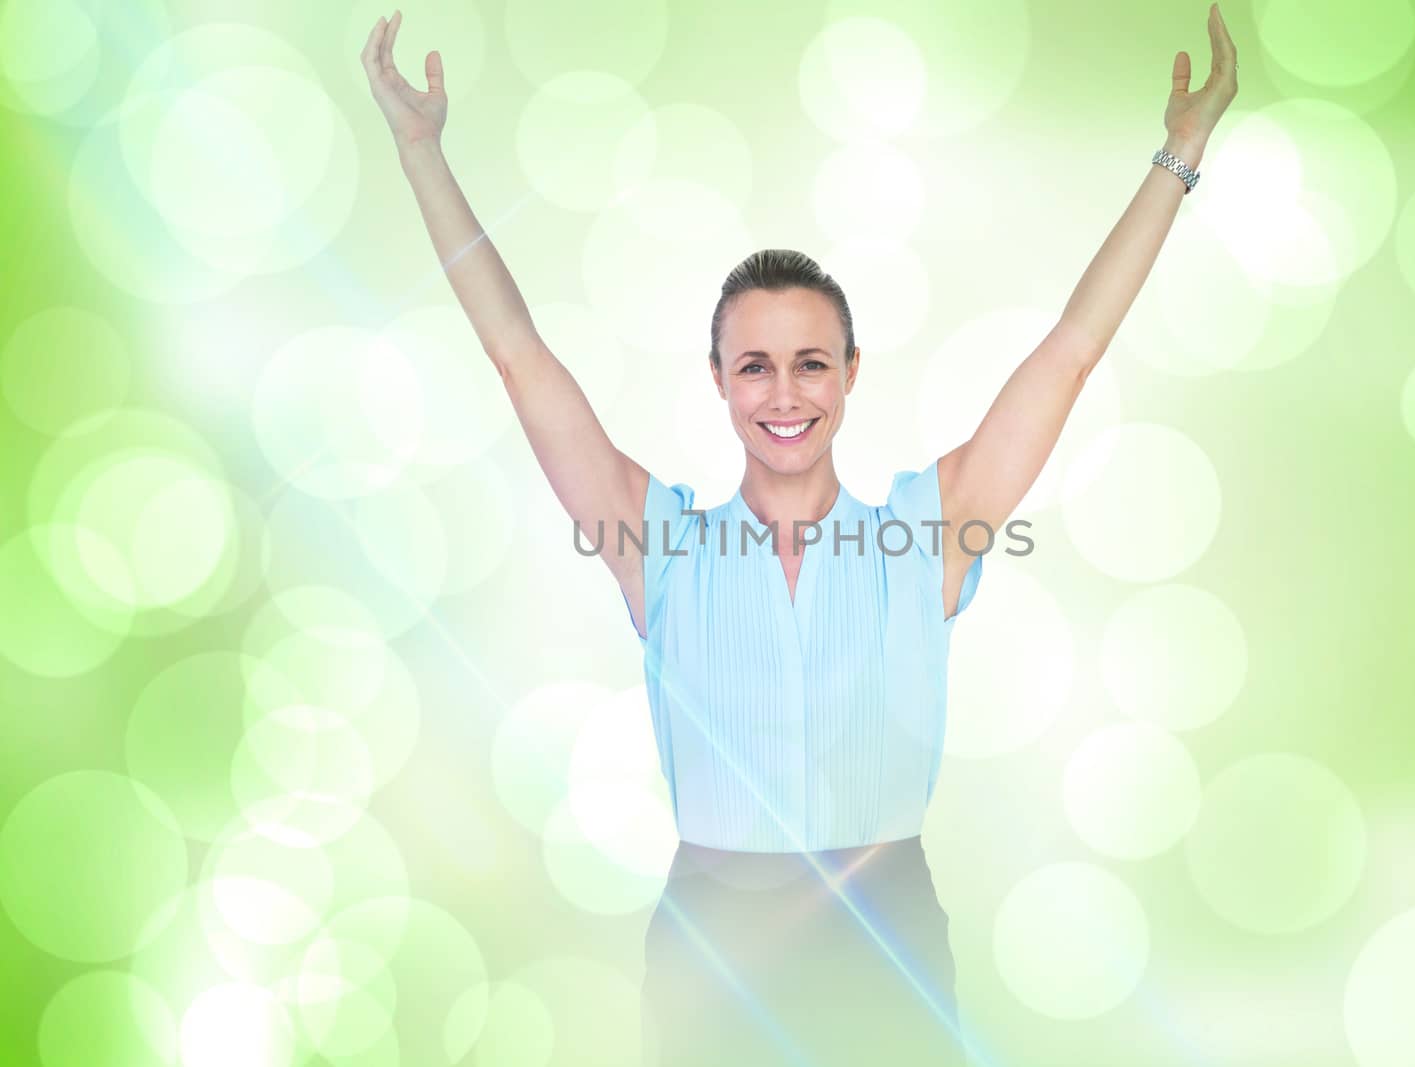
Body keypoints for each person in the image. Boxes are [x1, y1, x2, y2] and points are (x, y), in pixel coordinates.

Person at [362, 7, 1238, 1064]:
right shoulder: (662, 542)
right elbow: (516, 352)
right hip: (711, 946)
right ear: (721, 382)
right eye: (755, 365)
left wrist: (1177, 156)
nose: (785, 393)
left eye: (811, 361)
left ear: (850, 372)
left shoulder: (926, 535)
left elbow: (1068, 352)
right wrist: (422, 153)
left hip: (885, 936)